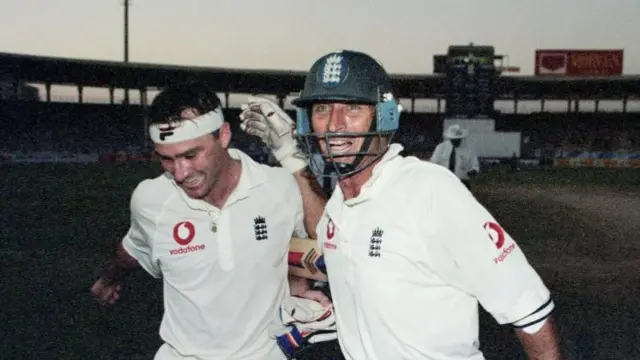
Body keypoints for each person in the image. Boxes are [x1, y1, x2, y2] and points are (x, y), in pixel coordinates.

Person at [240, 50, 562, 360]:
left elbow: (527, 307)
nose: (334, 124)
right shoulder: (341, 200)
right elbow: (325, 231)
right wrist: (290, 156)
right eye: (322, 108)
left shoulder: (430, 190)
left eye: (352, 108)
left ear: (385, 116)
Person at [90, 81, 332, 360]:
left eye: (191, 155)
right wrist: (108, 279)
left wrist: (293, 157)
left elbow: (328, 235)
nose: (180, 173)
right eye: (166, 159)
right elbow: (132, 249)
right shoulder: (151, 200)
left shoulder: (278, 187)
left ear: (224, 135)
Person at [429, 124, 480, 190]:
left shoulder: (469, 149)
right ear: (450, 138)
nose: (456, 141)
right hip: (444, 181)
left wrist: (473, 171)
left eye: (458, 139)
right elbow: (433, 163)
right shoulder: (441, 148)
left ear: (461, 138)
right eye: (453, 140)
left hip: (462, 182)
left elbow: (475, 165)